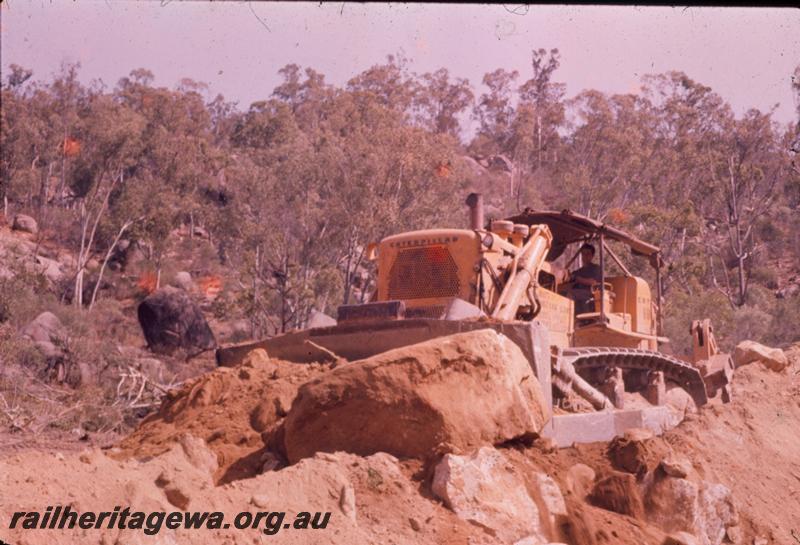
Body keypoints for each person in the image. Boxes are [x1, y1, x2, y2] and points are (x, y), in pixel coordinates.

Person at [568, 243, 602, 314]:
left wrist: (578, 279)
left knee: (571, 293)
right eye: (583, 254)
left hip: (591, 294)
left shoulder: (596, 268)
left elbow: (593, 282)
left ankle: (569, 317)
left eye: (588, 254)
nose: (585, 256)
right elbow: (570, 279)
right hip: (579, 294)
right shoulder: (577, 271)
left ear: (592, 256)